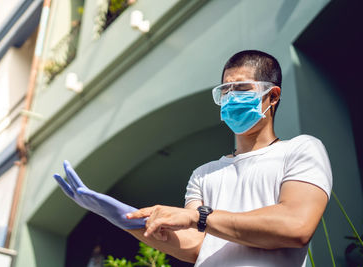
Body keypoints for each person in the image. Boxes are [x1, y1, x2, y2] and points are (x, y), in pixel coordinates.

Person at [54, 50, 332, 266]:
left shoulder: (301, 150)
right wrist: (127, 220)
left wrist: (198, 216)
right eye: (225, 90)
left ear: (272, 96)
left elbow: (295, 225)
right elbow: (197, 246)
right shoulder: (204, 173)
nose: (231, 98)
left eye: (242, 89)